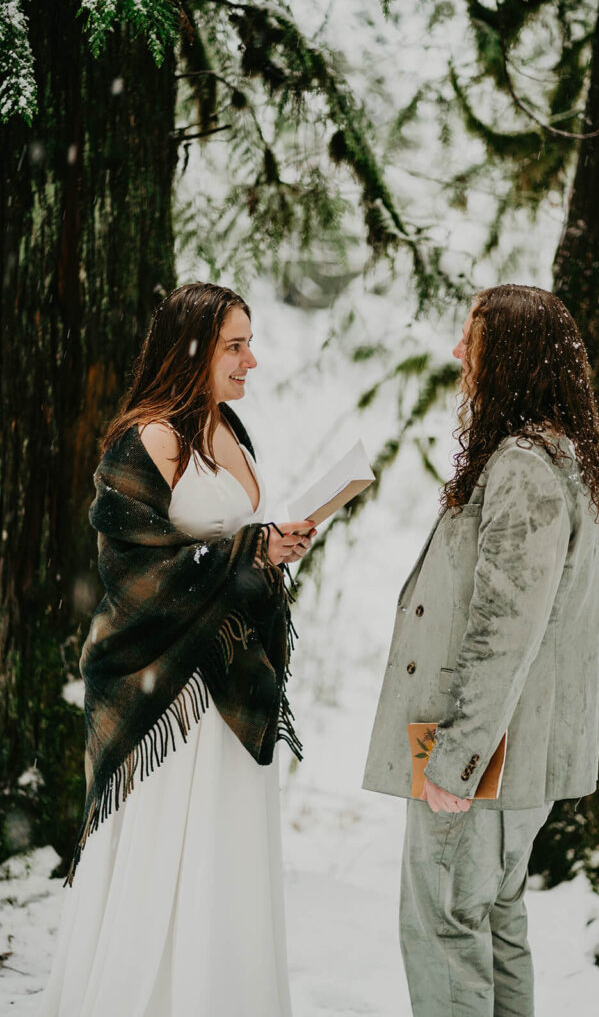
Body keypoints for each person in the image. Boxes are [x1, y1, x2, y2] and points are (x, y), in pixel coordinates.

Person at [40, 282, 315, 1017]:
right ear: (188, 350)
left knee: (224, 862)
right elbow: (134, 572)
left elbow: (225, 545)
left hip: (228, 680)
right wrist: (247, 551)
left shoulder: (228, 429)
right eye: (234, 344)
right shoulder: (149, 438)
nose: (251, 359)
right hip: (169, 694)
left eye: (249, 342)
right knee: (168, 858)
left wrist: (272, 546)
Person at [363, 284, 599, 1017]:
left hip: (484, 753)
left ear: (507, 358)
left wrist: (456, 757)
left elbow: (504, 628)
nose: (456, 355)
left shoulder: (524, 467)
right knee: (493, 920)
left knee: (444, 927)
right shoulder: (562, 458)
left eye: (469, 342)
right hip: (515, 755)